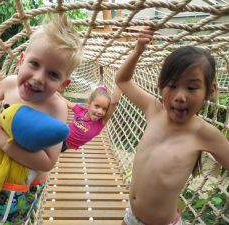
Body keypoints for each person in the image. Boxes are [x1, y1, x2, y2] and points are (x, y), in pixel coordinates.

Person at [0, 13, 82, 225]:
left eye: (53, 75)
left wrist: (4, 142)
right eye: (34, 64)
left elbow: (48, 162)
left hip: (25, 185)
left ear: (63, 85)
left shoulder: (57, 108)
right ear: (21, 60)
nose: (38, 78)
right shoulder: (8, 84)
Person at [115, 27, 229, 225]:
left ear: (209, 91)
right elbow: (122, 80)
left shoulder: (204, 133)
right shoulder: (154, 109)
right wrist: (138, 50)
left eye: (192, 87)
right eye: (172, 85)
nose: (179, 96)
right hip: (131, 216)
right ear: (161, 85)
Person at [59, 85, 121, 152]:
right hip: (59, 135)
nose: (100, 112)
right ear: (88, 103)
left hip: (62, 144)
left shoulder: (100, 122)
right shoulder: (80, 110)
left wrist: (121, 82)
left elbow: (114, 102)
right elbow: (65, 101)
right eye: (97, 106)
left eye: (104, 109)